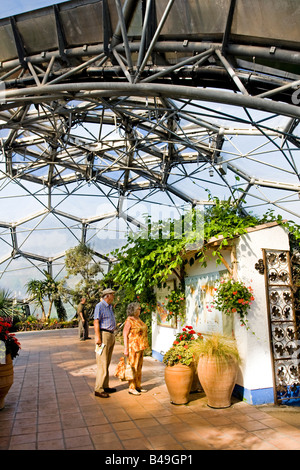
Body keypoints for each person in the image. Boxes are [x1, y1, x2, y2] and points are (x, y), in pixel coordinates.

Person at [94, 288, 117, 398]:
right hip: (103, 335)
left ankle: (105, 386)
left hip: (110, 335)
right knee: (102, 363)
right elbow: (96, 321)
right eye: (112, 295)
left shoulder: (110, 307)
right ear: (107, 296)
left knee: (107, 362)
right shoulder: (100, 306)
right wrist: (98, 338)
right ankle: (98, 389)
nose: (114, 297)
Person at [123, 302, 149, 395]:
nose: (140, 310)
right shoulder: (129, 321)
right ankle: (132, 387)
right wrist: (125, 349)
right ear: (133, 310)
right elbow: (125, 335)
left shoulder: (138, 319)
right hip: (133, 347)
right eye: (138, 309)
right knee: (133, 367)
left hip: (141, 346)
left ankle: (138, 385)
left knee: (139, 367)